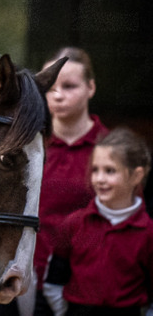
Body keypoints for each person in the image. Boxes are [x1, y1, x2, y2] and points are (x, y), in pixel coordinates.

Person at [42, 127, 153, 316]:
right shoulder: (74, 224)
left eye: (110, 171)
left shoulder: (148, 232)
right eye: (95, 170)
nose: (99, 179)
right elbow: (53, 280)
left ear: (137, 175)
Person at [32, 47, 109, 316]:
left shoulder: (110, 149)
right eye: (50, 86)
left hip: (93, 286)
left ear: (91, 87)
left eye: (69, 86)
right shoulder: (28, 147)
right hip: (33, 282)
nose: (58, 94)